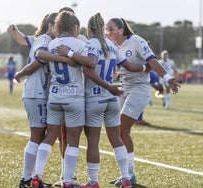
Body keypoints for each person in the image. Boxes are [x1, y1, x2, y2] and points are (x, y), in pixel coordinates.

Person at [56, 13, 149, 188]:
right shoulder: (112, 46)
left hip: (95, 98)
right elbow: (129, 66)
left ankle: (93, 182)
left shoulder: (90, 44)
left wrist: (69, 53)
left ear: (89, 29)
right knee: (117, 139)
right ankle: (126, 178)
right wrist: (146, 67)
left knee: (93, 142)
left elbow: (88, 69)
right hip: (111, 100)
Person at [106, 18, 181, 186]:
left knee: (122, 130)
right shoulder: (112, 46)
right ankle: (126, 174)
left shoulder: (136, 41)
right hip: (123, 88)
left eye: (110, 29)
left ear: (121, 29)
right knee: (118, 132)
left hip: (139, 89)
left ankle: (130, 175)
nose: (107, 32)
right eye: (106, 29)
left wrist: (168, 78)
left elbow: (153, 61)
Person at [30, 11, 89, 188]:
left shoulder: (52, 43)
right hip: (74, 96)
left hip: (54, 96)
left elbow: (40, 55)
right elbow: (89, 62)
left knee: (49, 137)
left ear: (57, 26)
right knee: (73, 141)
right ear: (75, 27)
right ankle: (68, 181)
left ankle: (37, 176)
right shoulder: (80, 43)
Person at [8, 13, 58, 188]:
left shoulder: (40, 38)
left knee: (39, 136)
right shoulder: (45, 38)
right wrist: (21, 73)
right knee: (37, 137)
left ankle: (30, 178)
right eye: (58, 24)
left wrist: (15, 30)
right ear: (51, 25)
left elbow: (22, 39)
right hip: (37, 93)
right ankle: (27, 179)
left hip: (36, 93)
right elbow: (39, 59)